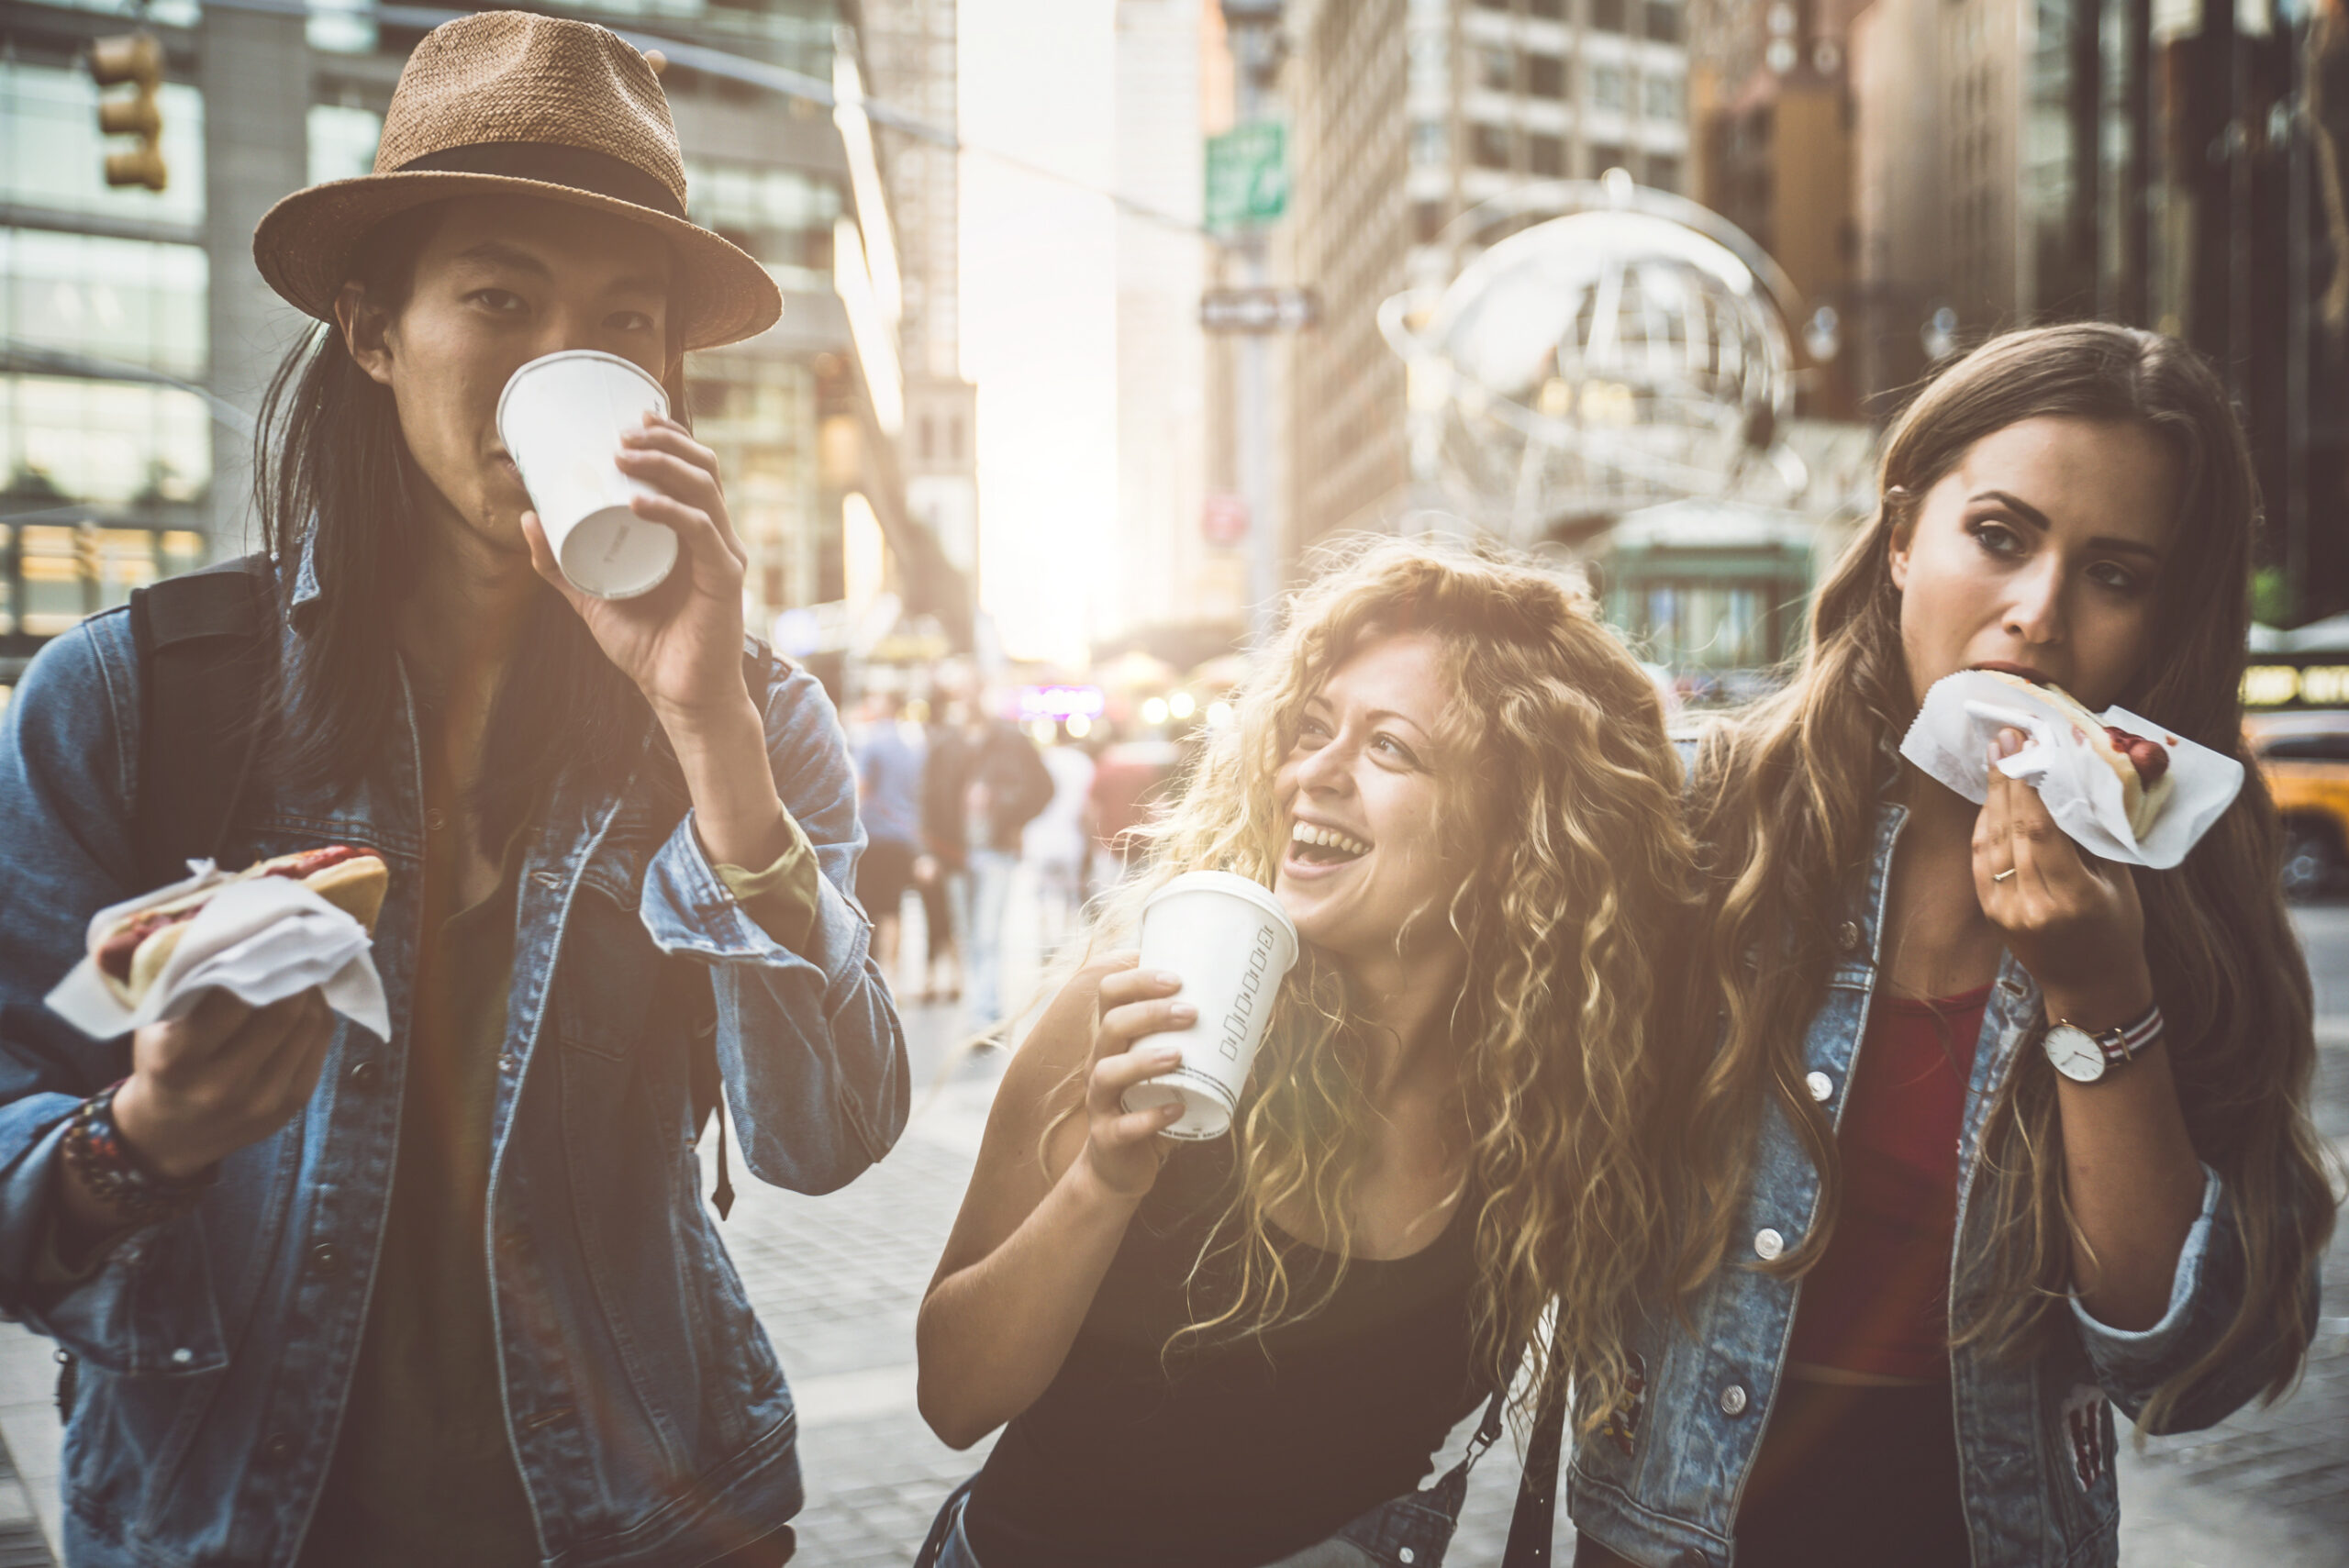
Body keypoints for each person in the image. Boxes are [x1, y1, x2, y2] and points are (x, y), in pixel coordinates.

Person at [0, 16, 907, 1567]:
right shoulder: (133, 695)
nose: (566, 354)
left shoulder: (746, 713)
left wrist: (708, 737)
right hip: (234, 1524)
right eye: (498, 296)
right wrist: (132, 1136)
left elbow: (826, 1135)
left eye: (623, 322)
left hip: (654, 1518)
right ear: (371, 329)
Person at [1568, 324, 2339, 1568]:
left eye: (2116, 574)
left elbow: (2183, 1362)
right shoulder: (1706, 821)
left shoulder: (2182, 888)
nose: (2036, 614)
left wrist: (2103, 996)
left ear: (2161, 620)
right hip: (1668, 1534)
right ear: (1901, 537)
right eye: (2000, 536)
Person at [914, 539, 1699, 1567]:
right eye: (1312, 728)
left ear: (1516, 831)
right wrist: (1102, 1182)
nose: (1310, 773)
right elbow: (954, 1395)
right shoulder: (1145, 1002)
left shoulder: (1544, 1096)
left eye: (1390, 749)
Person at [928, 701, 1053, 1029]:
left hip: (996, 851)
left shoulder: (1011, 742)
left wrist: (1007, 811)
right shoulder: (945, 745)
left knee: (987, 933)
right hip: (954, 853)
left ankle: (983, 1011)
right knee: (967, 934)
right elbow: (927, 797)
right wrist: (927, 851)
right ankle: (982, 1004)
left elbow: (1042, 788)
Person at [855, 693, 929, 979]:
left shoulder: (872, 742)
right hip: (903, 836)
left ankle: (872, 974)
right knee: (894, 907)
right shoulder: (911, 746)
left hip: (874, 835)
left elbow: (861, 786)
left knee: (869, 907)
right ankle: (892, 974)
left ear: (888, 705)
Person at [1024, 735, 1097, 953]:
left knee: (1043, 893)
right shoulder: (1082, 762)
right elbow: (1087, 806)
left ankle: (1045, 939)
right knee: (1069, 893)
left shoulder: (1043, 760)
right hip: (1070, 837)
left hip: (1041, 837)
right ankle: (1065, 941)